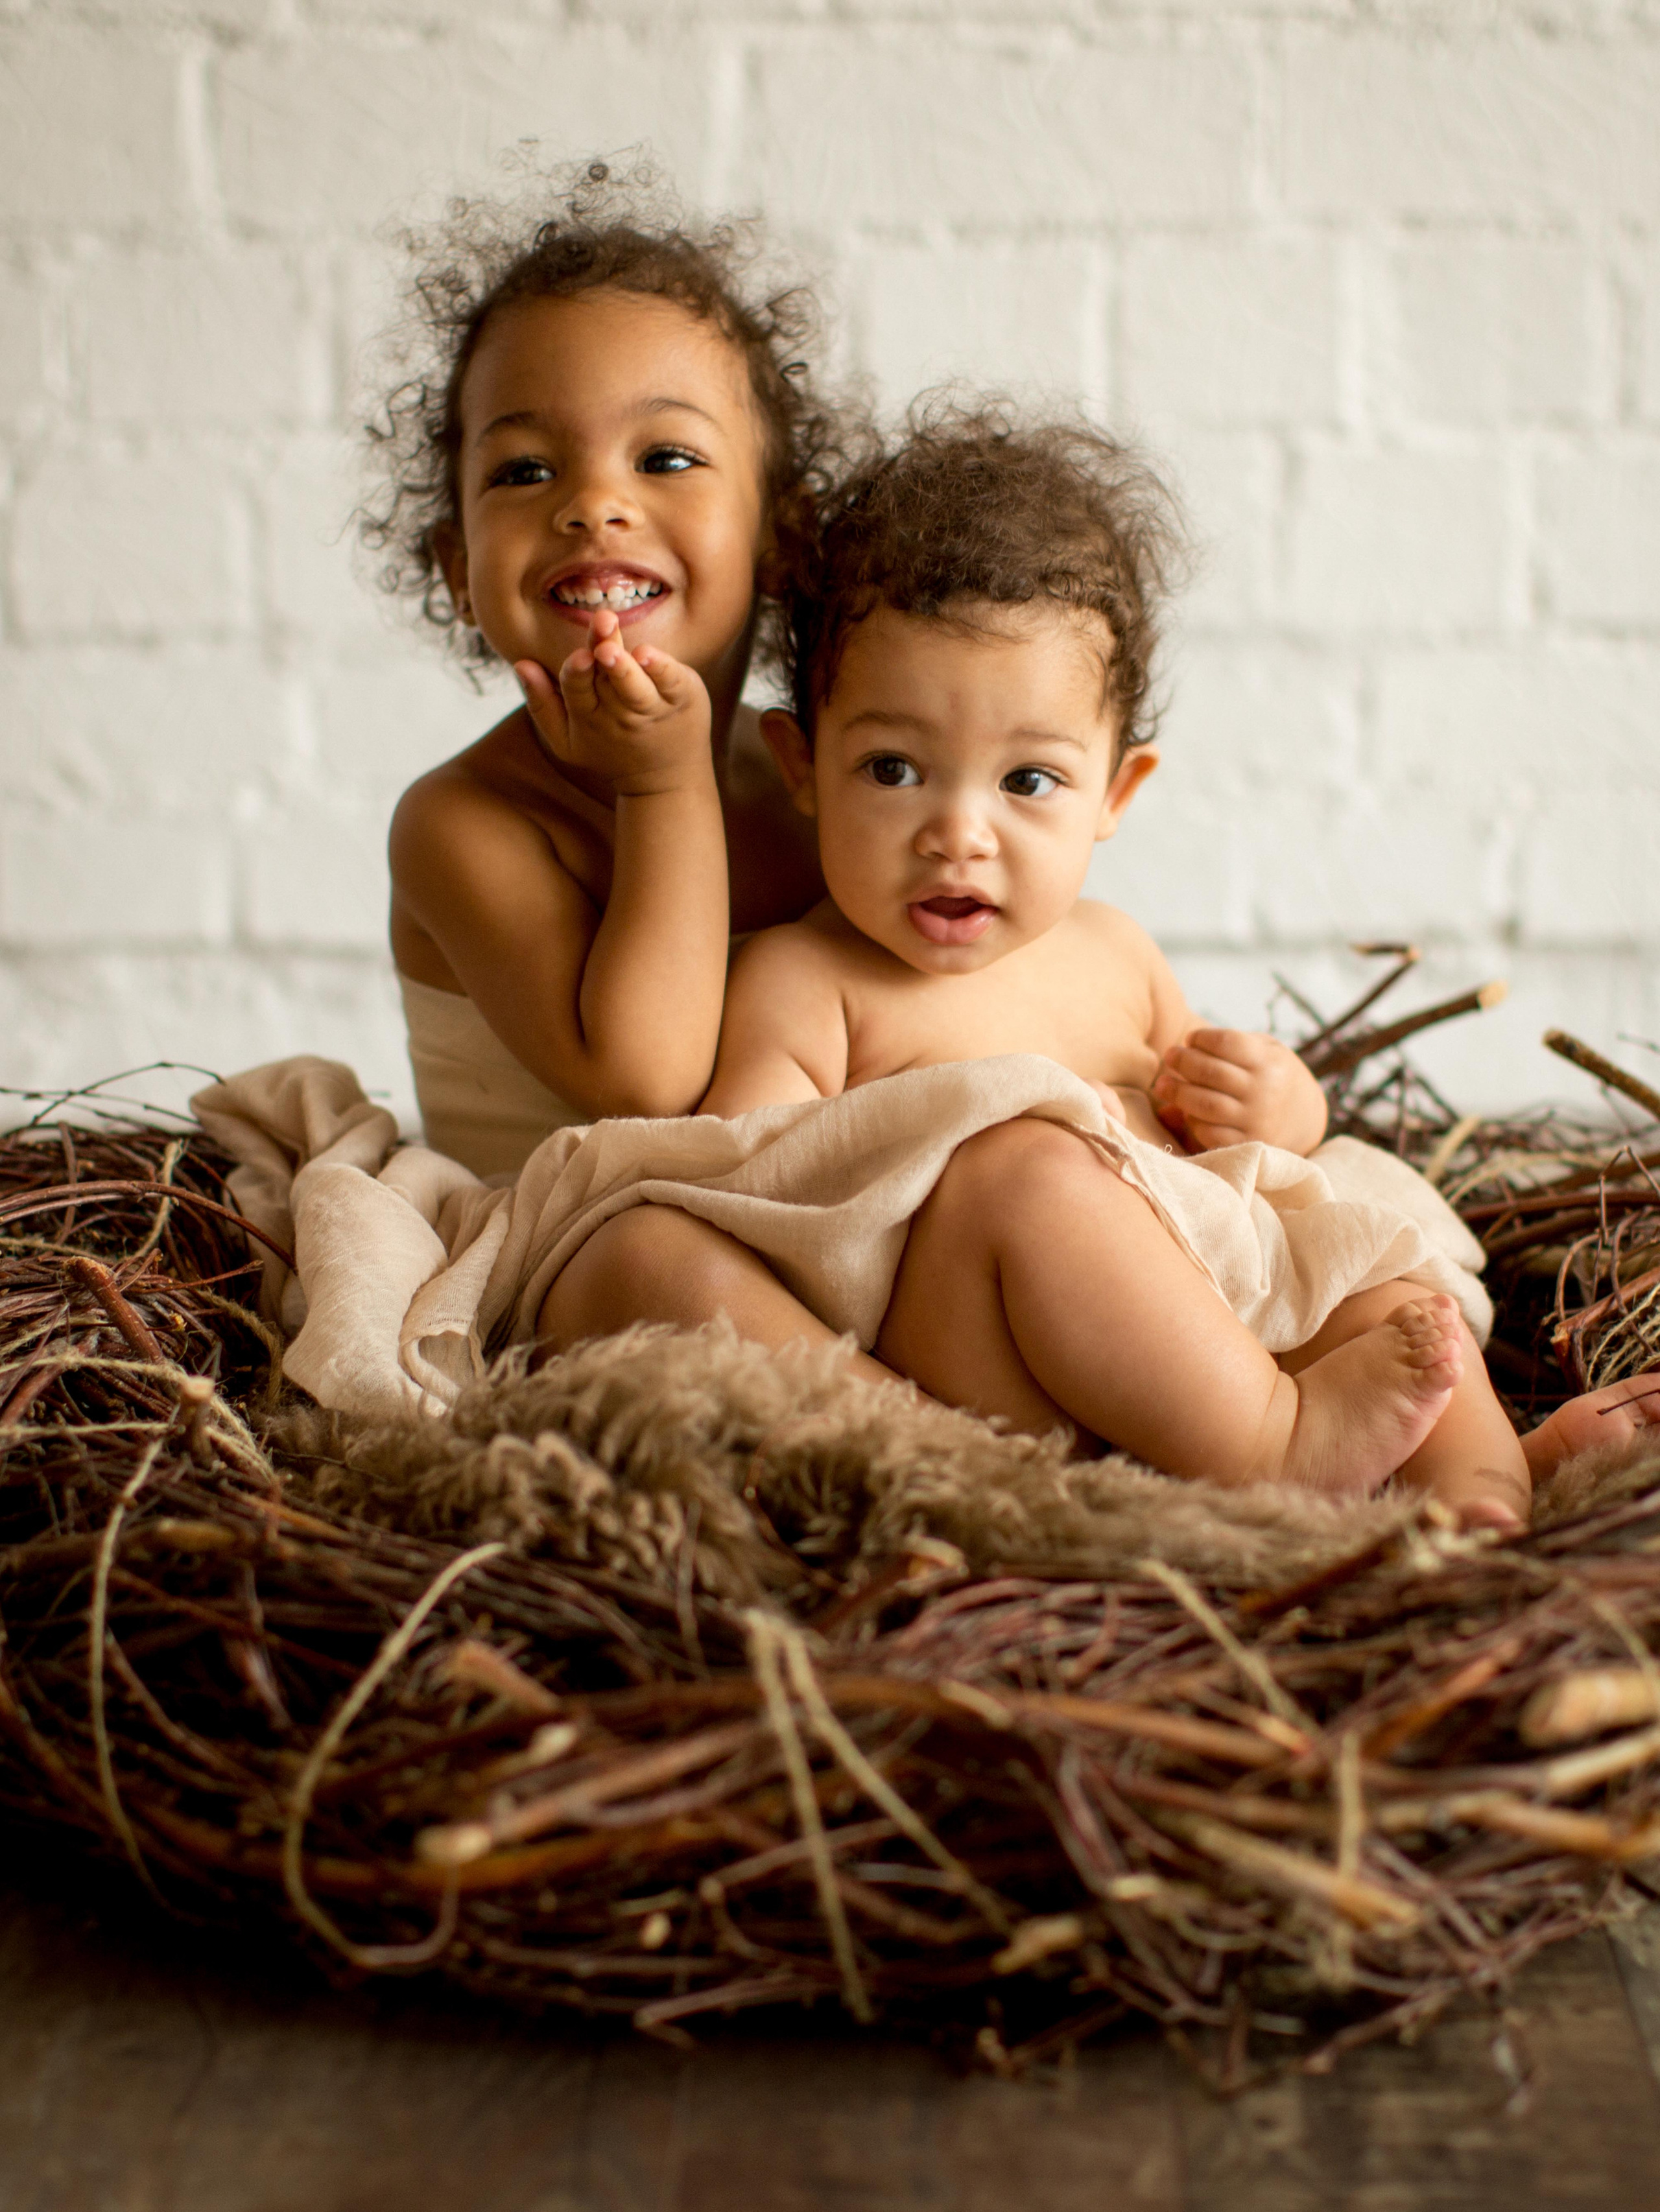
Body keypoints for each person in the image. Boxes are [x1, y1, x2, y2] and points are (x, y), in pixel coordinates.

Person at [550, 403, 1656, 1525]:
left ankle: (1485, 1497)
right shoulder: (804, 982)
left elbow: (1235, 1160)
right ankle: (1280, 1440)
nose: (959, 833)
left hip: (1192, 1324)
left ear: (1116, 796)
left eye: (1026, 782)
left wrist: (1279, 1109)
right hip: (990, 1360)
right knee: (1024, 1173)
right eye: (893, 770)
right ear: (801, 764)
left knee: (1375, 1278)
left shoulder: (1115, 953)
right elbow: (768, 1208)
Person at [363, 164, 844, 1175]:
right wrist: (659, 781)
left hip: (793, 1221)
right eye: (525, 470)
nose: (592, 504)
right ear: (458, 569)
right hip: (576, 1245)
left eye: (665, 459)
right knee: (655, 1254)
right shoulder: (462, 826)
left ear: (781, 539)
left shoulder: (813, 780)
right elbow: (648, 1085)